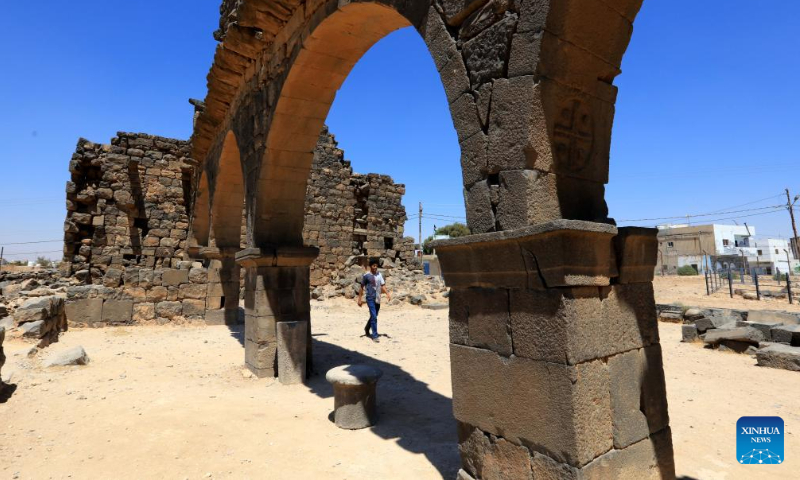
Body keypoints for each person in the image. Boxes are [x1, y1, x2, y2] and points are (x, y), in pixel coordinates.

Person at [357, 257, 391, 343]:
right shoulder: (366, 276)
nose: (375, 267)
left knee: (374, 315)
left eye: (376, 266)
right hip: (370, 298)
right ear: (370, 266)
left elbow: (383, 285)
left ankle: (367, 328)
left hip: (378, 298)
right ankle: (375, 335)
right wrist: (359, 299)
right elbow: (361, 287)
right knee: (374, 316)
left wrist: (387, 293)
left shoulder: (379, 275)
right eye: (374, 266)